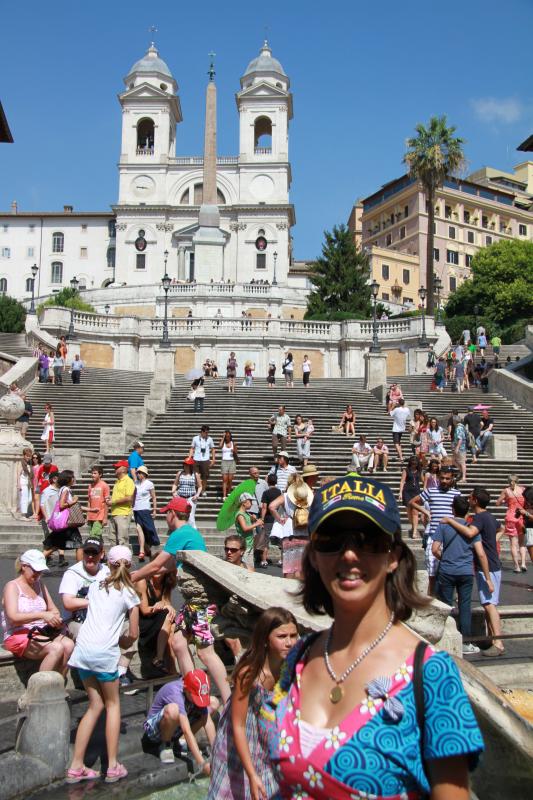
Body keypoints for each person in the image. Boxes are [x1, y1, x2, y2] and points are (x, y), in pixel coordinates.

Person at [265, 475, 483, 799]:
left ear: (393, 556)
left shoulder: (433, 675)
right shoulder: (298, 656)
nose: (349, 554)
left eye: (368, 540)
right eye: (331, 539)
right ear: (312, 555)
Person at [132, 497, 231, 703]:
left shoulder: (180, 533)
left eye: (167, 513)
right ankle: (191, 689)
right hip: (192, 601)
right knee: (178, 643)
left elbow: (155, 565)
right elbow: (165, 567)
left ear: (172, 514)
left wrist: (129, 577)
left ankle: (228, 697)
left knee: (205, 653)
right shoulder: (190, 534)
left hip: (201, 601)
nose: (166, 516)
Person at [66, 546, 140, 784]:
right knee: (113, 704)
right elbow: (134, 633)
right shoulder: (130, 592)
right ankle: (113, 765)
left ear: (108, 562)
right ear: (129, 565)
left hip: (83, 651)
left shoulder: (97, 584)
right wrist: (123, 640)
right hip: (104, 653)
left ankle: (76, 766)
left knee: (94, 705)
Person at [208, 608, 298, 800]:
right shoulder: (249, 674)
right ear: (266, 638)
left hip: (267, 745)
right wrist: (250, 773)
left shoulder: (290, 669)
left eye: (293, 635)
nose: (289, 642)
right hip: (237, 746)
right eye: (282, 636)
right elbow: (238, 725)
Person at [441, 487, 505, 656]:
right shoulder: (490, 516)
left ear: (475, 500)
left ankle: (498, 643)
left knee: (490, 605)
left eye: (470, 497)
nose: (468, 500)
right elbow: (502, 529)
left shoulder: (479, 518)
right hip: (493, 563)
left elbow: (470, 532)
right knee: (489, 603)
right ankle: (493, 640)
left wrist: (450, 521)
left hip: (488, 566)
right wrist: (491, 541)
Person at [432, 495, 493, 655]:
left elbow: (434, 549)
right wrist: (488, 578)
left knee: (445, 604)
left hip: (447, 570)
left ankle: (444, 637)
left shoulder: (444, 526)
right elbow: (480, 553)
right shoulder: (471, 528)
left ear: (452, 509)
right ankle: (465, 641)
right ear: (467, 511)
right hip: (466, 571)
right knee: (465, 606)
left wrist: (444, 558)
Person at [2, 549, 74, 673]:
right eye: (35, 571)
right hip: (18, 634)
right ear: (24, 566)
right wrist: (41, 615)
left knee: (69, 645)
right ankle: (40, 688)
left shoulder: (39, 584)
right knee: (55, 648)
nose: (38, 575)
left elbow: (53, 610)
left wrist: (55, 619)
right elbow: (13, 617)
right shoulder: (12, 586)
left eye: (40, 571)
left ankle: (57, 683)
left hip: (41, 631)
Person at [145, 669, 217, 769]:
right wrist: (202, 763)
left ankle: (181, 742)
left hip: (177, 726)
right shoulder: (175, 693)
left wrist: (216, 753)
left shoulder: (193, 690)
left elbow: (207, 722)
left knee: (213, 702)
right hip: (155, 731)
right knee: (173, 710)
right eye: (196, 696)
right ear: (186, 689)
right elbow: (186, 731)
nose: (198, 699)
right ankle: (166, 745)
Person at [409, 465, 462, 594]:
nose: (444, 481)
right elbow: (412, 502)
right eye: (442, 478)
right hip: (433, 536)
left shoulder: (457, 494)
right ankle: (431, 598)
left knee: (450, 571)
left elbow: (462, 514)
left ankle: (450, 597)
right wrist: (425, 511)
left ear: (452, 479)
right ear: (438, 478)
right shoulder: (431, 491)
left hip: (450, 537)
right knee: (431, 572)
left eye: (447, 479)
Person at [59, 537, 110, 639]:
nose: (90, 556)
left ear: (102, 554)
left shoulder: (107, 572)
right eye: (87, 552)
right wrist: (98, 601)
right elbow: (68, 603)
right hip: (75, 620)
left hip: (102, 619)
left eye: (94, 553)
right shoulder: (72, 573)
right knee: (85, 632)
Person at [269, 473, 314, 580]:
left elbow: (271, 507)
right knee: (303, 566)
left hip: (289, 531)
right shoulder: (309, 495)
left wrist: (280, 519)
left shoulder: (285, 496)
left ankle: (288, 588)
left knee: (289, 566)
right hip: (305, 530)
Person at [138, 569, 177, 673]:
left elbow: (168, 604)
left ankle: (169, 668)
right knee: (168, 618)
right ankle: (162, 660)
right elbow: (144, 610)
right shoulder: (142, 582)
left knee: (172, 627)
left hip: (160, 622)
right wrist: (161, 606)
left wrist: (165, 605)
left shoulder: (166, 583)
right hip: (144, 622)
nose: (158, 569)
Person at [44, 469, 84, 563]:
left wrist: (91, 510)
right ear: (68, 479)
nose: (74, 479)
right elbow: (62, 505)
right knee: (79, 545)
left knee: (56, 545)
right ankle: (80, 568)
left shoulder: (64, 489)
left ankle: (36, 560)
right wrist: (73, 501)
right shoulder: (65, 489)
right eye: (72, 477)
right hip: (67, 522)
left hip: (65, 522)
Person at [496, 475, 526, 573]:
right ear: (518, 481)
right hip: (521, 516)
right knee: (522, 542)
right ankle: (523, 564)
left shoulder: (506, 491)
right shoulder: (523, 489)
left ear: (508, 481)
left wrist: (506, 501)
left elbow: (498, 503)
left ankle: (517, 566)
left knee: (513, 543)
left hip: (510, 517)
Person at [133, 465, 159, 562]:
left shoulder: (149, 484)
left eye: (140, 473)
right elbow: (134, 497)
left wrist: (155, 510)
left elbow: (154, 497)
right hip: (136, 509)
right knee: (138, 528)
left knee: (148, 529)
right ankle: (142, 550)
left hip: (145, 509)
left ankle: (147, 547)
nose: (138, 474)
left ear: (144, 474)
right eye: (137, 473)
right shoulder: (135, 483)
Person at [107, 460, 135, 546]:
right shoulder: (117, 481)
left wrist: (113, 502)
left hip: (123, 513)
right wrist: (110, 498)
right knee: (112, 539)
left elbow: (129, 498)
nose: (115, 469)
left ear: (123, 469)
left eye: (117, 467)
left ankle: (124, 559)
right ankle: (115, 558)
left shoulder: (128, 481)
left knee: (122, 539)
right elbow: (120, 496)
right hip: (114, 513)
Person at [171, 456, 202, 527]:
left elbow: (200, 486)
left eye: (187, 464)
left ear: (191, 465)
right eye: (185, 464)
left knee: (190, 517)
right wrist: (173, 492)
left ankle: (193, 531)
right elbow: (175, 484)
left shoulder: (195, 474)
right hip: (180, 497)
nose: (186, 466)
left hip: (191, 498)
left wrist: (197, 495)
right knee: (180, 516)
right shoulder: (180, 473)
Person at [235, 492, 263, 566]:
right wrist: (256, 524)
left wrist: (253, 519)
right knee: (246, 567)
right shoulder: (240, 515)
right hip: (245, 545)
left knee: (250, 567)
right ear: (244, 502)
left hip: (250, 544)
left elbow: (248, 524)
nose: (252, 503)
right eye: (250, 501)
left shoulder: (246, 514)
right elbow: (244, 528)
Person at [398, 455, 423, 539]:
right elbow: (402, 481)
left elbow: (424, 481)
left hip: (416, 492)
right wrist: (400, 492)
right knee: (409, 513)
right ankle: (413, 525)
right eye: (412, 463)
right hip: (407, 492)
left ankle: (415, 531)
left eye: (415, 463)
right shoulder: (406, 470)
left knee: (415, 512)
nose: (414, 465)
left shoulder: (420, 471)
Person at [84, 464, 110, 540]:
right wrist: (87, 515)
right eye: (92, 473)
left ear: (100, 474)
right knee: (97, 537)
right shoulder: (90, 486)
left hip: (100, 515)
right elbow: (89, 501)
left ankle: (95, 551)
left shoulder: (104, 485)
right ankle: (101, 551)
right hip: (91, 515)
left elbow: (106, 502)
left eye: (95, 473)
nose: (92, 475)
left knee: (94, 536)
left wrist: (105, 517)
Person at [189, 425, 216, 496]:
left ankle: (203, 490)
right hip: (196, 459)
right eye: (206, 432)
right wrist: (189, 457)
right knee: (195, 475)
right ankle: (197, 489)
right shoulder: (195, 438)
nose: (207, 434)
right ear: (202, 432)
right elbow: (192, 448)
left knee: (205, 476)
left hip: (205, 459)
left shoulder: (210, 439)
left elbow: (213, 449)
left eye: (208, 433)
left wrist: (213, 459)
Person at [390, 397, 411, 463]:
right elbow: (409, 415)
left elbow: (390, 413)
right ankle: (399, 455)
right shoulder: (407, 409)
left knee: (396, 443)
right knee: (398, 442)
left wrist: (392, 406)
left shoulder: (397, 409)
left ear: (398, 403)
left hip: (396, 428)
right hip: (402, 428)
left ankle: (401, 457)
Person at [220, 430, 239, 500]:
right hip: (224, 461)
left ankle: (229, 492)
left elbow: (236, 452)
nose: (227, 437)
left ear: (230, 436)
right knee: (224, 479)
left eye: (228, 436)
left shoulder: (233, 443)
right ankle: (224, 496)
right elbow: (220, 446)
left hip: (232, 461)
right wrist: (222, 437)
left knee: (230, 479)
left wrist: (234, 450)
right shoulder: (223, 442)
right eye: (226, 436)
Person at [16, 447, 34, 517]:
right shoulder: (21, 463)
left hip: (28, 484)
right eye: (27, 456)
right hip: (23, 483)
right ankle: (23, 515)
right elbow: (18, 474)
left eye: (29, 456)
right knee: (24, 499)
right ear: (24, 455)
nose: (28, 457)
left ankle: (22, 512)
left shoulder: (29, 464)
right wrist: (18, 484)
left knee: (29, 499)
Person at [453, 418, 468, 484]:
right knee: (454, 460)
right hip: (462, 447)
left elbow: (460, 439)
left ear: (455, 421)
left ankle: (464, 477)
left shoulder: (459, 428)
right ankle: (462, 471)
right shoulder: (463, 427)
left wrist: (457, 447)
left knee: (462, 462)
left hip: (461, 448)